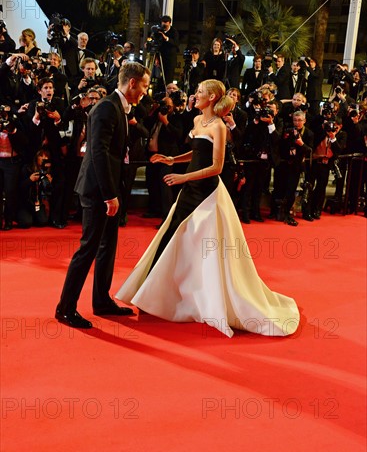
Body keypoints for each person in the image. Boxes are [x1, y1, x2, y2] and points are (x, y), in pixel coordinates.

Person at [115, 79, 300, 338]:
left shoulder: (219, 126)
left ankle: (197, 299)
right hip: (190, 190)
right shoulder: (197, 121)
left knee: (200, 246)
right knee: (171, 239)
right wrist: (173, 160)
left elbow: (216, 167)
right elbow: (195, 153)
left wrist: (182, 178)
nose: (196, 95)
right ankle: (158, 295)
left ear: (212, 97)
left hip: (206, 192)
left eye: (200, 92)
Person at [55, 62, 151, 329]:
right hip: (98, 190)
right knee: (88, 248)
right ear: (132, 82)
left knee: (107, 247)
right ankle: (65, 308)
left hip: (109, 187)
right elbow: (98, 152)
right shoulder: (107, 107)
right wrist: (110, 195)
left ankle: (101, 300)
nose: (145, 91)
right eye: (144, 85)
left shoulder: (118, 108)